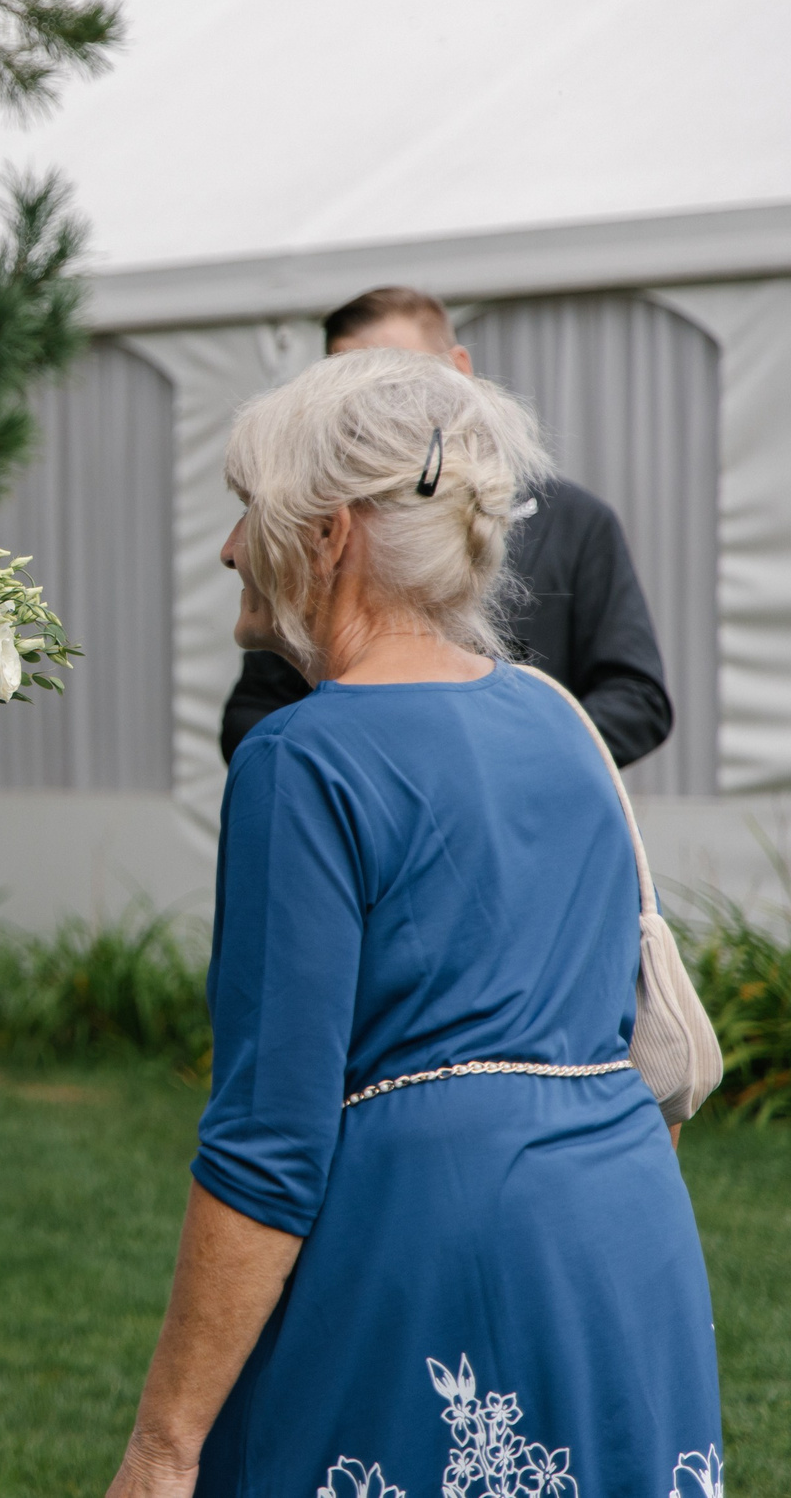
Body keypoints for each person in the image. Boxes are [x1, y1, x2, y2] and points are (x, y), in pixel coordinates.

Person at [105, 349, 720, 1498]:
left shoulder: (301, 760)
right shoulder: (555, 721)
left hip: (428, 1262)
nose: (229, 548)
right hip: (624, 1252)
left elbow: (266, 1142)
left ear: (330, 535)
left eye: (249, 512)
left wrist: (162, 1443)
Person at [218, 285, 672, 767]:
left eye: (397, 381)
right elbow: (254, 708)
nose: (369, 408)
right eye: (346, 388)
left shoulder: (576, 521)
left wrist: (510, 752)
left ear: (459, 369)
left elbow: (637, 697)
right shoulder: (320, 538)